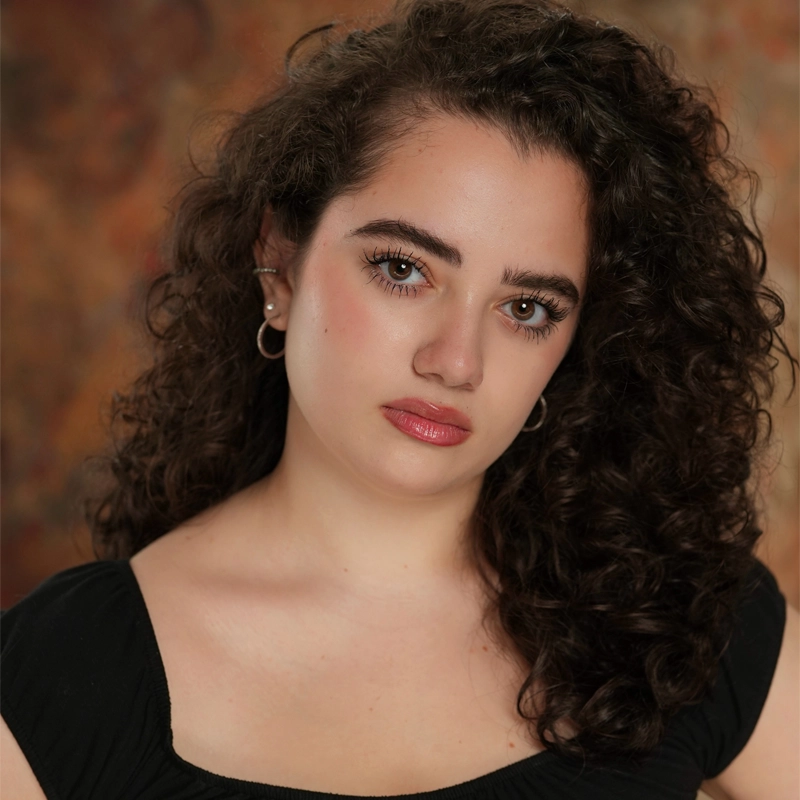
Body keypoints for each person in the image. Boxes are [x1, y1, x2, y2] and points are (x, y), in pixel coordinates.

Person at [2, 0, 798, 797]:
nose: (456, 361)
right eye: (403, 269)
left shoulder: (679, 616)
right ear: (281, 264)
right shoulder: (59, 673)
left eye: (527, 309)